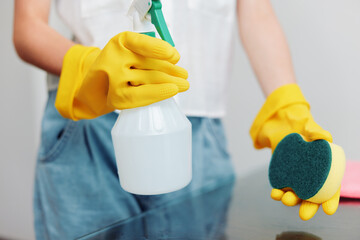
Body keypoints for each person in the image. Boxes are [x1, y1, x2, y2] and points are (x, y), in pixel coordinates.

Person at [13, 0, 341, 239]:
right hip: (88, 134)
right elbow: (28, 25)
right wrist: (89, 69)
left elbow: (257, 11)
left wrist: (285, 103)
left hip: (196, 138)